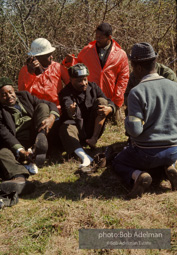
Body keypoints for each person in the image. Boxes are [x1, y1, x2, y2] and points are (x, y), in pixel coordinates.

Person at [111, 42, 177, 199]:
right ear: (154, 62)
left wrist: (127, 120)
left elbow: (135, 130)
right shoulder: (174, 86)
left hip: (147, 153)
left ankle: (139, 175)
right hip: (174, 149)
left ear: (138, 68)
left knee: (118, 162)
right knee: (164, 157)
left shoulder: (137, 92)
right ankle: (171, 166)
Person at [0, 77, 59, 195]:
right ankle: (19, 177)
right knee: (2, 152)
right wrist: (21, 151)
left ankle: (40, 141)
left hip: (36, 132)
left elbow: (49, 104)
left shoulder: (24, 96)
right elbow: (5, 134)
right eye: (3, 95)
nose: (9, 96)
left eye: (10, 92)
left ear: (14, 90)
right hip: (17, 142)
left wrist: (51, 118)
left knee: (43, 106)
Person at [62, 23, 129, 123]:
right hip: (90, 95)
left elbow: (123, 78)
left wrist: (117, 99)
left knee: (113, 122)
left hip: (111, 98)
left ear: (109, 37)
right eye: (96, 36)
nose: (97, 39)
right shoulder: (87, 50)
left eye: (100, 37)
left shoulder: (120, 54)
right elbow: (78, 65)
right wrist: (69, 62)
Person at [59, 63, 115, 172]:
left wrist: (110, 109)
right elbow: (68, 108)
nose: (83, 83)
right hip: (76, 131)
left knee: (102, 102)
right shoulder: (65, 93)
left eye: (85, 79)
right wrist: (72, 111)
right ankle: (84, 157)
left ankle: (93, 139)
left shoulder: (93, 87)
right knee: (65, 127)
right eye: (79, 81)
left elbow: (108, 101)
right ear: (71, 80)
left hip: (92, 128)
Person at [18, 38, 70, 111]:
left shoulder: (58, 67)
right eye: (48, 55)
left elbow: (71, 84)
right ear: (37, 57)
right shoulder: (25, 71)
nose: (52, 57)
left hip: (58, 108)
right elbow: (23, 94)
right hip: (37, 110)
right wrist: (30, 74)